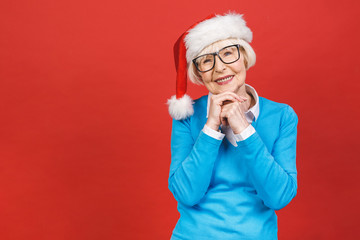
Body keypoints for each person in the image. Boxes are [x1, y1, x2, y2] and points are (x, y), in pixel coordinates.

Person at [167, 12, 298, 240]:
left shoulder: (282, 116)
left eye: (228, 53)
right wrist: (210, 127)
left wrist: (244, 130)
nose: (220, 68)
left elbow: (279, 197)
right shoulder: (187, 117)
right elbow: (187, 194)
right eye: (207, 60)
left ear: (245, 57)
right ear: (198, 72)